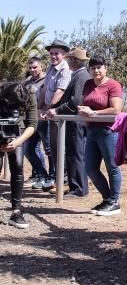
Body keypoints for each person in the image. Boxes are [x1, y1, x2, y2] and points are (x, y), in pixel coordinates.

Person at [78, 56, 123, 215]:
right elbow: (86, 103)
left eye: (99, 67)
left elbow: (116, 109)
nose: (96, 70)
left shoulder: (113, 85)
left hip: (108, 130)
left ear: (105, 68)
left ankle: (114, 202)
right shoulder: (88, 84)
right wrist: (83, 111)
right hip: (91, 131)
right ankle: (107, 199)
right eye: (93, 68)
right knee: (90, 168)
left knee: (112, 167)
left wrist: (94, 112)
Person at [46, 48, 91, 197]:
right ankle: (75, 187)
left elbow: (76, 100)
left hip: (75, 122)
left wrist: (58, 110)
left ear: (74, 61)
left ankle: (79, 189)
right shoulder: (78, 75)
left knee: (76, 153)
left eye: (70, 59)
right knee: (72, 153)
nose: (68, 61)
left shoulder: (81, 76)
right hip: (72, 121)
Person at [0, 81, 37, 228]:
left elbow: (33, 124)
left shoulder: (30, 94)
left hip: (18, 133)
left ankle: (16, 212)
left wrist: (17, 141)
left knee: (18, 166)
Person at [37, 39, 72, 190]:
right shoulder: (51, 68)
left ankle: (63, 179)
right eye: (51, 53)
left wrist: (47, 108)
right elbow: (45, 89)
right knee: (52, 147)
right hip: (50, 114)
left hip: (60, 113)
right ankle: (57, 178)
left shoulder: (65, 70)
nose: (53, 56)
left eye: (56, 53)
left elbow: (59, 92)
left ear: (63, 54)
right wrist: (38, 108)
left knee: (60, 147)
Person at [23, 56, 49, 185]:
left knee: (48, 150)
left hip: (44, 120)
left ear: (41, 66)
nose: (32, 70)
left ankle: (53, 179)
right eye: (30, 68)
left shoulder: (47, 79)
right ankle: (41, 175)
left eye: (35, 67)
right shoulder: (28, 81)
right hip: (31, 121)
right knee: (28, 149)